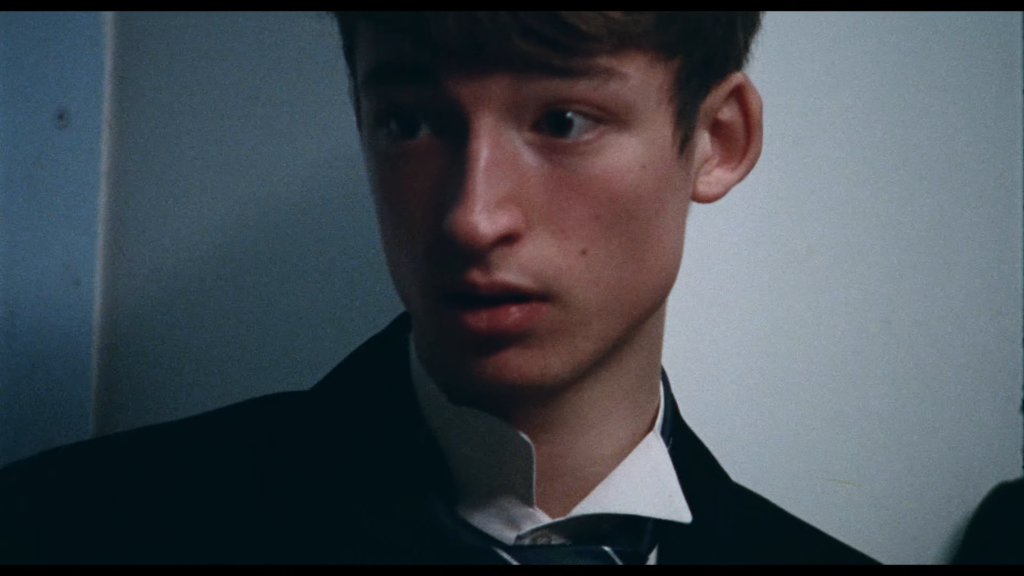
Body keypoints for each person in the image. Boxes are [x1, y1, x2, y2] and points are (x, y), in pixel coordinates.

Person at [0, 12, 877, 564]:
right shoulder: (62, 529)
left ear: (719, 138)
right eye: (408, 122)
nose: (470, 217)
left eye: (562, 120)